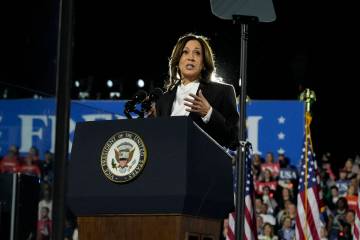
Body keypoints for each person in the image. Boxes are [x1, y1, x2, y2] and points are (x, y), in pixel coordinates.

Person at [154, 33, 239, 150]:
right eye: (185, 52)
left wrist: (209, 113)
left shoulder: (222, 92)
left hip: (204, 166)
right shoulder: (163, 101)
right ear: (178, 60)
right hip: (169, 165)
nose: (191, 57)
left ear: (203, 63)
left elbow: (233, 140)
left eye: (197, 53)